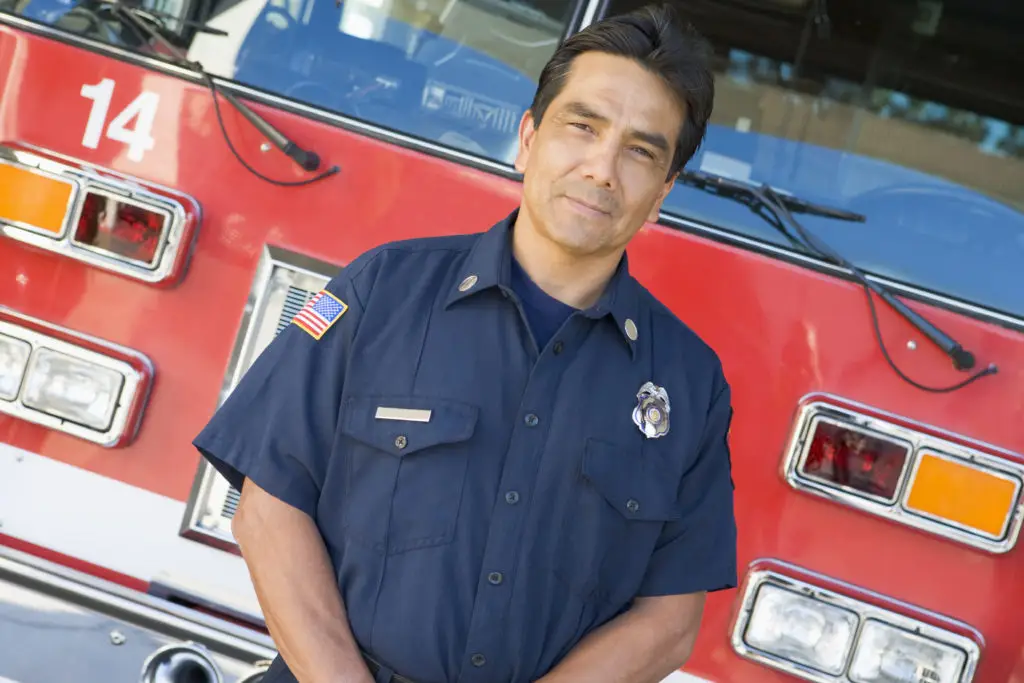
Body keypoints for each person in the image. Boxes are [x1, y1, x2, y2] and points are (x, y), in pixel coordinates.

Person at [192, 4, 737, 682]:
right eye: (583, 127)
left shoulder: (689, 385)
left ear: (661, 193)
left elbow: (669, 620)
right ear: (529, 139)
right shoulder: (380, 290)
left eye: (640, 150)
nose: (602, 168)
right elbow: (269, 510)